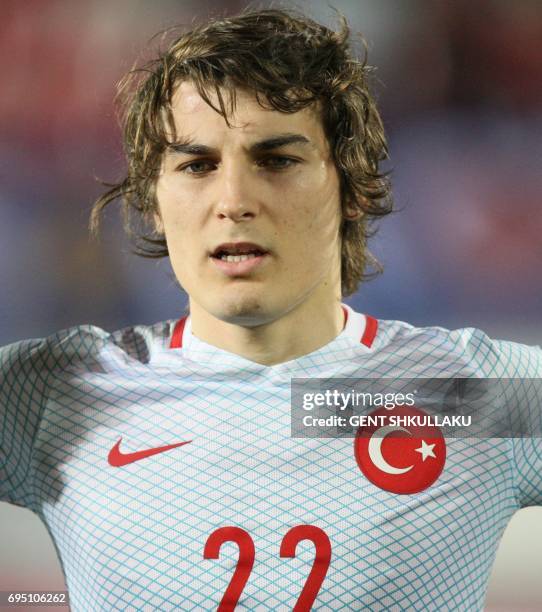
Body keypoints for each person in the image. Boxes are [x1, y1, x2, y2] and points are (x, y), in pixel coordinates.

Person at [1, 8, 540, 611]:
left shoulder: (467, 394)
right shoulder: (55, 391)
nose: (233, 200)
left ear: (354, 186)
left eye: (276, 160)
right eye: (197, 165)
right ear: (152, 199)